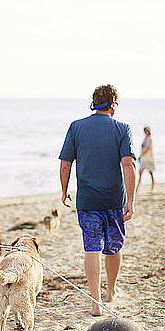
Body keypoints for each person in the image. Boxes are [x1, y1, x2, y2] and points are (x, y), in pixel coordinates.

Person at [59, 85, 136, 316]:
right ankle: (111, 292)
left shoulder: (76, 127)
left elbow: (65, 164)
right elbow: (129, 165)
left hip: (88, 200)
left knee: (91, 248)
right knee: (113, 247)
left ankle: (96, 303)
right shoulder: (122, 128)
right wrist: (130, 201)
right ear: (113, 104)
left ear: (94, 102)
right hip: (114, 200)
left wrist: (64, 192)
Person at [137, 126, 155, 192]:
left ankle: (152, 187)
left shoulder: (149, 139)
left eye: (146, 131)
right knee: (140, 172)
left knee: (150, 172)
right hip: (144, 157)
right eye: (145, 131)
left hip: (148, 157)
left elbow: (147, 148)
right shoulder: (145, 138)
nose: (145, 132)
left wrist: (141, 155)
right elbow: (143, 148)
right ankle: (137, 187)